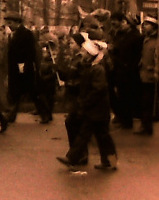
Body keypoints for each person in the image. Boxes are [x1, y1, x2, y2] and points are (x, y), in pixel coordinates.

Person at [57, 34, 117, 171]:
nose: (82, 54)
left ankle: (72, 157)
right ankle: (110, 161)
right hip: (96, 109)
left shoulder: (96, 69)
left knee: (87, 134)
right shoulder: (90, 67)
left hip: (96, 109)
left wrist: (85, 103)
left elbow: (98, 90)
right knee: (103, 137)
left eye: (84, 52)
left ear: (90, 55)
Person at [4, 11, 44, 123]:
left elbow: (31, 51)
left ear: (17, 22)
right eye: (7, 23)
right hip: (14, 68)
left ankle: (45, 114)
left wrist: (26, 65)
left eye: (10, 22)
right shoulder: (12, 34)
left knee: (33, 92)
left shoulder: (27, 33)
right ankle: (10, 115)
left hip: (24, 67)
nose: (9, 25)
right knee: (14, 92)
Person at [107, 11, 143, 129]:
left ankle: (128, 121)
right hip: (118, 69)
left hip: (129, 71)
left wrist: (129, 66)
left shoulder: (136, 37)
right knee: (119, 94)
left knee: (127, 95)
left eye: (124, 22)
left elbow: (137, 55)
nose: (122, 24)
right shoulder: (120, 34)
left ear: (130, 24)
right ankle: (122, 117)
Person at [135, 16, 158, 136]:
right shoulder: (146, 39)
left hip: (152, 75)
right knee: (144, 101)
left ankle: (146, 125)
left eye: (147, 25)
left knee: (148, 102)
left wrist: (154, 68)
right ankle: (145, 124)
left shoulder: (156, 41)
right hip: (144, 74)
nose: (144, 27)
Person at [36, 33, 60, 124]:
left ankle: (48, 115)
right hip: (43, 83)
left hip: (49, 84)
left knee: (49, 100)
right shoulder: (43, 61)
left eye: (45, 52)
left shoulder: (52, 62)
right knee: (43, 99)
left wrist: (47, 77)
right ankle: (46, 114)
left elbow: (54, 74)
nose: (43, 54)